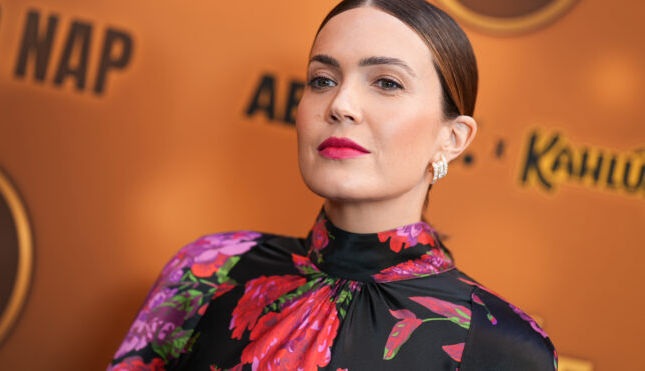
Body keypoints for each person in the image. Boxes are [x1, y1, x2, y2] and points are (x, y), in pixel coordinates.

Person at [107, 0, 558, 370]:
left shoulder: (501, 346)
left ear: (452, 138)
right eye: (322, 80)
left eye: (386, 82)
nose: (341, 104)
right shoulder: (210, 270)